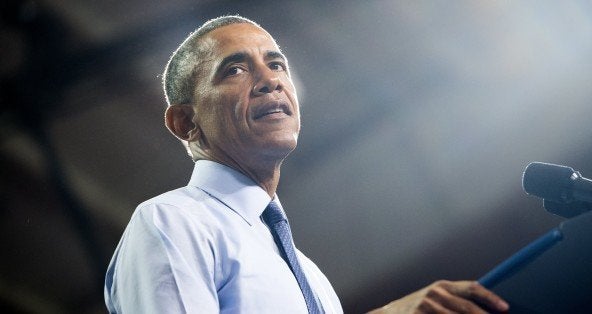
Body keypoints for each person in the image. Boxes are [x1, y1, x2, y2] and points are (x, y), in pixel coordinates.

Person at [104, 15, 509, 314]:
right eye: (236, 69)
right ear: (186, 123)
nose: (270, 80)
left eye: (276, 64)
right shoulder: (172, 223)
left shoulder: (312, 278)